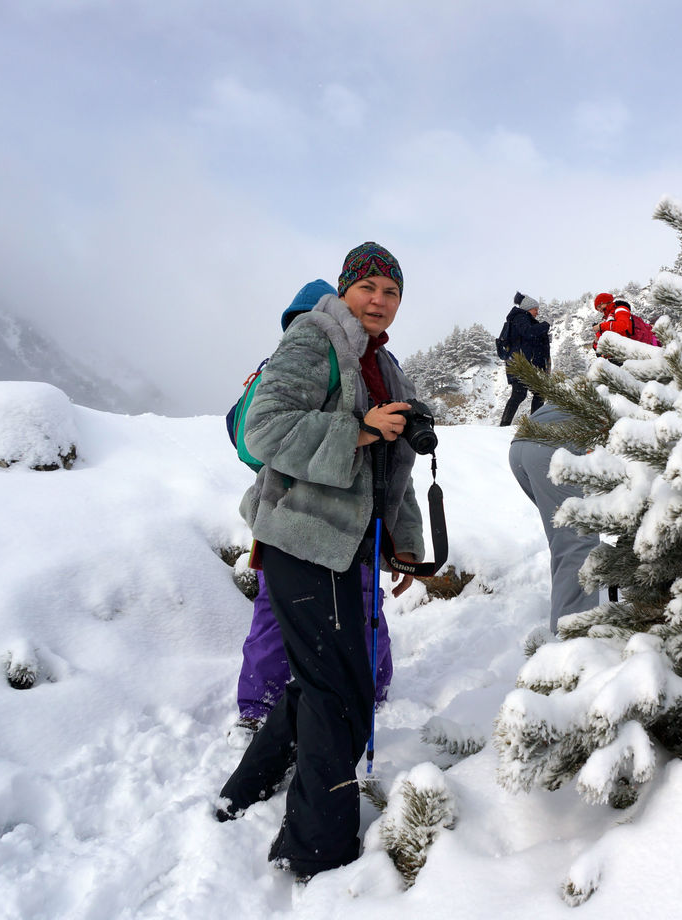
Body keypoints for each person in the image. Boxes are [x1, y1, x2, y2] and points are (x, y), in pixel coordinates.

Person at [216, 242, 425, 881]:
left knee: (322, 680)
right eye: (369, 288)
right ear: (345, 289)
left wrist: (406, 539)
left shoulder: (385, 365)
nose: (379, 300)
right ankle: (316, 849)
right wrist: (359, 430)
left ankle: (247, 787)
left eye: (391, 292)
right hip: (300, 538)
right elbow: (267, 429)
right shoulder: (315, 340)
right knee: (341, 691)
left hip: (350, 545)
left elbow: (396, 466)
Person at [228, 280, 394, 747]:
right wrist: (353, 432)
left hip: (314, 516)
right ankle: (279, 708)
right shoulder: (315, 356)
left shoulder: (365, 364)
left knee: (282, 613)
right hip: (296, 517)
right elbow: (261, 436)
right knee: (354, 606)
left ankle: (266, 707)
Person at [509, 403, 600, 633]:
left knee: (567, 540)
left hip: (522, 445)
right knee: (577, 541)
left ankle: (571, 611)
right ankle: (573, 636)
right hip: (555, 444)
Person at [498, 292, 551, 426]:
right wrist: (544, 326)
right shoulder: (520, 318)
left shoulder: (523, 319)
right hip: (520, 364)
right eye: (535, 309)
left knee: (538, 392)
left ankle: (534, 424)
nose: (537, 313)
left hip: (525, 364)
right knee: (520, 394)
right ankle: (506, 425)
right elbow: (528, 333)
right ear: (528, 308)